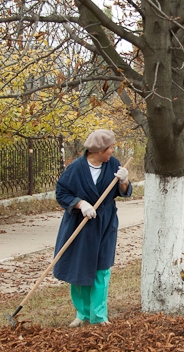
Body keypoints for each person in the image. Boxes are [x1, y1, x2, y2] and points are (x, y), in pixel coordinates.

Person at [53, 129, 132, 327]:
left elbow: (123, 192)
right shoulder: (76, 169)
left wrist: (124, 181)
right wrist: (81, 204)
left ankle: (99, 315)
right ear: (99, 150)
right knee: (78, 268)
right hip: (79, 224)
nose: (113, 152)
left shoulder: (112, 165)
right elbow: (61, 193)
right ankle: (82, 313)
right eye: (110, 148)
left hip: (104, 223)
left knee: (101, 269)